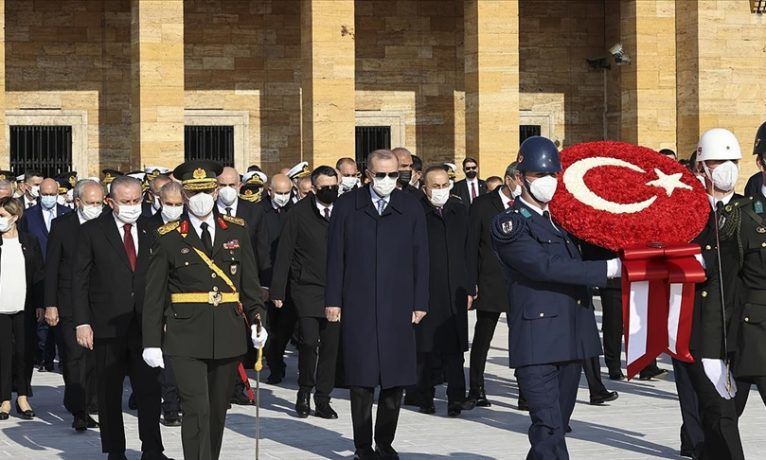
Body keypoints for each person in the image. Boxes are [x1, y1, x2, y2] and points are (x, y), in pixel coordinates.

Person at [491, 136, 622, 459]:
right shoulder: (510, 224)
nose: (549, 182)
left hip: (572, 338)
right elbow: (544, 267)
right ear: (520, 178)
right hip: (538, 342)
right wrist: (608, 269)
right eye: (540, 175)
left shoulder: (562, 221)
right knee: (547, 427)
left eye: (553, 175)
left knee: (557, 427)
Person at [142, 159, 267, 460]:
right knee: (196, 408)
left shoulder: (236, 232)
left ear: (215, 193)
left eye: (207, 190)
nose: (200, 197)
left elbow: (249, 285)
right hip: (185, 335)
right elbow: (154, 295)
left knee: (216, 411)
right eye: (193, 191)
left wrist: (258, 320)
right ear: (183, 194)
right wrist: (151, 342)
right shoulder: (168, 236)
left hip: (227, 332)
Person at [326, 149, 429, 460]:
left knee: (395, 380)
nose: (387, 180)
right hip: (358, 302)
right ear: (367, 174)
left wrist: (420, 300)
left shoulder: (410, 206)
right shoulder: (347, 206)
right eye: (380, 174)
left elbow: (421, 256)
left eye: (393, 174)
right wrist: (333, 300)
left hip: (398, 304)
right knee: (361, 379)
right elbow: (335, 257)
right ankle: (362, 446)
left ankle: (384, 442)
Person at [72, 175, 169, 460]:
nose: (132, 206)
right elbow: (79, 279)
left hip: (145, 325)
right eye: (125, 201)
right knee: (109, 391)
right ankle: (115, 450)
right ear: (110, 202)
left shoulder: (153, 228)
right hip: (105, 324)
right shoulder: (91, 231)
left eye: (137, 200)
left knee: (149, 390)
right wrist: (82, 321)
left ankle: (152, 448)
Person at [674, 128, 746, 460]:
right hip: (699, 327)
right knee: (715, 413)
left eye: (732, 161)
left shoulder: (750, 211)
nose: (726, 168)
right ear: (701, 167)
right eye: (718, 162)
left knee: (727, 410)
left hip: (744, 329)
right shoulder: (685, 215)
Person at [271, 166, 341, 419]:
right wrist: (278, 290)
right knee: (309, 342)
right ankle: (304, 391)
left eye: (334, 186)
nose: (330, 191)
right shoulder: (298, 213)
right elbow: (285, 252)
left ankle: (323, 398)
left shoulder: (344, 211)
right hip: (306, 287)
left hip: (336, 289)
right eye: (325, 187)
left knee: (331, 346)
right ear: (313, 187)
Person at [44, 179, 103, 432]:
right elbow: (52, 268)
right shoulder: (62, 226)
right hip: (68, 302)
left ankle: (90, 404)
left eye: (99, 202)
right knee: (74, 356)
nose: (95, 207)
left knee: (93, 358)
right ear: (77, 201)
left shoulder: (107, 224)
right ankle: (79, 410)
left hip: (99, 302)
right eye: (90, 202)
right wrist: (50, 304)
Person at [416, 165, 472, 417]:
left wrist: (471, 285)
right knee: (426, 348)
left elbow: (471, 251)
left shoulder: (460, 211)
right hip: (426, 289)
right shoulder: (416, 213)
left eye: (444, 186)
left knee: (455, 348)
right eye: (435, 187)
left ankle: (456, 398)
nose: (441, 191)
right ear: (425, 188)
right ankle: (425, 396)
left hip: (456, 289)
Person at [466, 162, 520, 408]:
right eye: (520, 179)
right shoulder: (483, 205)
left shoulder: (527, 205)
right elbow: (470, 246)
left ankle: (526, 393)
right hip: (489, 281)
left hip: (520, 282)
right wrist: (471, 282)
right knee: (483, 337)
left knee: (522, 338)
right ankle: (476, 389)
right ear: (508, 179)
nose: (524, 185)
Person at [19, 177, 72, 373]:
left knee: (60, 316)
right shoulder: (28, 216)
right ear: (38, 194)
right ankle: (44, 357)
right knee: (41, 315)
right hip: (37, 271)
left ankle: (59, 355)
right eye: (45, 194)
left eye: (52, 194)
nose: (48, 198)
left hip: (61, 273)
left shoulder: (68, 214)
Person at [0, 196, 44, 421]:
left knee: (24, 352)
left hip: (23, 305)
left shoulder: (29, 241)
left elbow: (38, 273)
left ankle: (23, 396)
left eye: (2, 216)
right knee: (4, 353)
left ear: (15, 217)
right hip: (1, 305)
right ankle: (4, 398)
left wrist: (41, 304)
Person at [256, 173, 296, 384]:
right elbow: (260, 250)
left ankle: (278, 359)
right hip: (266, 279)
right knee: (269, 329)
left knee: (285, 328)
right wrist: (264, 283)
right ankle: (275, 367)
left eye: (287, 193)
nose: (282, 197)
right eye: (279, 193)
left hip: (290, 280)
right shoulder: (259, 212)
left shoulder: (294, 211)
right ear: (269, 191)